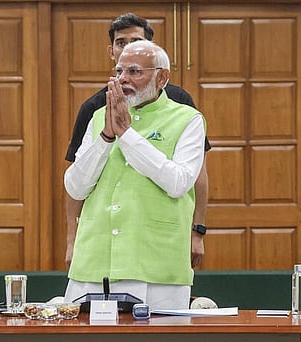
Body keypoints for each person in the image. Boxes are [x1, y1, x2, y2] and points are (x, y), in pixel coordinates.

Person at [64, 40, 206, 310]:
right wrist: (106, 137)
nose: (123, 79)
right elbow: (75, 187)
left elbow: (178, 183)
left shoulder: (188, 119)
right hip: (94, 262)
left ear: (162, 77)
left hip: (156, 265)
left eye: (134, 72)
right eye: (118, 72)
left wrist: (127, 136)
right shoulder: (98, 118)